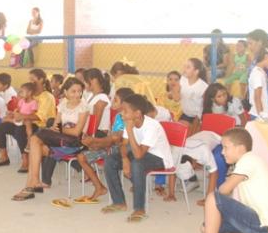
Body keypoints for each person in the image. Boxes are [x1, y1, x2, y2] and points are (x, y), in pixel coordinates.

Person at [178, 128, 268, 233]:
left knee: (213, 197)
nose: (222, 152)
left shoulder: (248, 160)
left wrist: (222, 208)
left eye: (225, 147)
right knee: (207, 228)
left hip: (264, 225)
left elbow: (223, 190)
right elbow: (237, 200)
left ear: (240, 148)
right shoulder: (249, 162)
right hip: (267, 227)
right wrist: (234, 220)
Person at [12, 77, 89, 201]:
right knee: (36, 145)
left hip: (74, 143)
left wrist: (59, 128)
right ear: (66, 92)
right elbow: (56, 124)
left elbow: (76, 132)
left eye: (79, 91)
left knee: (36, 137)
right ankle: (31, 184)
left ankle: (33, 183)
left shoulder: (83, 107)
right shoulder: (63, 103)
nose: (77, 94)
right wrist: (56, 128)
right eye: (73, 91)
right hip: (61, 138)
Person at [104, 94, 174, 222]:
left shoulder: (152, 126)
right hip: (140, 153)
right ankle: (119, 202)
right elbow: (124, 145)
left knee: (137, 163)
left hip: (160, 158)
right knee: (110, 160)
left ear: (137, 113)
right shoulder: (129, 122)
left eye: (125, 111)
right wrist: (125, 160)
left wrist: (130, 130)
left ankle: (139, 208)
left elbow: (138, 155)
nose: (122, 113)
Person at [0, 69, 56, 171]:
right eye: (29, 79)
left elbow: (40, 117)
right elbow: (21, 109)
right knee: (1, 127)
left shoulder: (47, 96)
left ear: (41, 79)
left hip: (40, 125)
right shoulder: (30, 94)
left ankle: (26, 160)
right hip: (24, 122)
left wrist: (21, 116)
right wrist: (14, 114)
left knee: (20, 130)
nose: (30, 81)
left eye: (32, 79)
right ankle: (4, 156)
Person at [78, 87, 134, 203]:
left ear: (125, 104)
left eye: (116, 100)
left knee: (105, 148)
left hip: (123, 150)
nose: (113, 102)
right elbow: (112, 136)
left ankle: (137, 183)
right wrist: (98, 143)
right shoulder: (117, 117)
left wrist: (96, 142)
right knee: (81, 157)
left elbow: (117, 140)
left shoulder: (130, 118)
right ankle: (99, 187)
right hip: (111, 146)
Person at [1, 83, 38, 153]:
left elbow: (33, 114)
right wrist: (12, 113)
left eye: (22, 92)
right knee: (4, 119)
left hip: (27, 120)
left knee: (28, 123)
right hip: (19, 119)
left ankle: (29, 141)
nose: (20, 94)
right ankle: (13, 121)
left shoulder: (33, 102)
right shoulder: (21, 101)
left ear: (29, 93)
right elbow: (18, 110)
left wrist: (22, 116)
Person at [248, 45, 268, 119]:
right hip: (258, 115)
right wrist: (261, 118)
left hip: (264, 114)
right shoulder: (258, 74)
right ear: (266, 56)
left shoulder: (261, 72)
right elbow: (257, 98)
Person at [179, 58, 208, 133]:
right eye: (184, 67)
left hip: (197, 117)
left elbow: (206, 106)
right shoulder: (182, 80)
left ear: (196, 72)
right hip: (185, 114)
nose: (184, 69)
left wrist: (199, 119)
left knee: (190, 135)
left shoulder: (203, 86)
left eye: (188, 67)